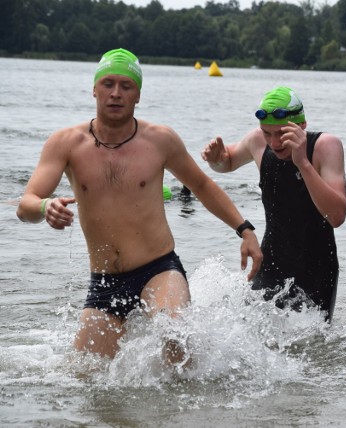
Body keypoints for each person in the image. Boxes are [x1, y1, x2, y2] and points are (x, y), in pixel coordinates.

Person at [16, 48, 263, 362]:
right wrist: (45, 206)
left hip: (158, 270)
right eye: (108, 84)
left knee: (176, 338)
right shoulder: (65, 143)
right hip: (104, 282)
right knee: (85, 379)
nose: (116, 93)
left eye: (126, 86)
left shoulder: (159, 140)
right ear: (94, 89)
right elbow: (26, 204)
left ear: (138, 95)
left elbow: (202, 185)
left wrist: (245, 230)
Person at [201, 86, 346, 322]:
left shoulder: (325, 146)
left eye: (281, 133)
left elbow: (337, 216)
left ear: (302, 125)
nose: (274, 142)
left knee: (315, 348)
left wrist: (303, 163)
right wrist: (215, 160)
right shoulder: (258, 141)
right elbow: (226, 162)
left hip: (317, 269)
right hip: (270, 262)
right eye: (267, 133)